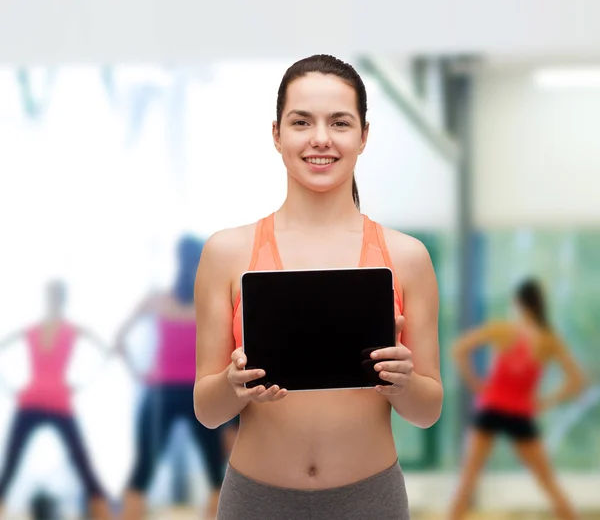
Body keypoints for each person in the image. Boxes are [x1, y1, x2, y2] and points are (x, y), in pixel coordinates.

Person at [192, 54, 443, 520]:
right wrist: (234, 385)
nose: (320, 139)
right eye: (302, 122)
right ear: (276, 134)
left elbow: (428, 410)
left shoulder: (407, 258)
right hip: (256, 502)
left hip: (370, 501)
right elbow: (207, 410)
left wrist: (402, 382)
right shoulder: (226, 252)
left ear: (364, 136)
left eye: (340, 122)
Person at [449, 278, 586, 520]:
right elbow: (577, 380)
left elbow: (458, 348)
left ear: (518, 302)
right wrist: (546, 401)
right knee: (548, 483)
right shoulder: (548, 339)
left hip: (491, 408)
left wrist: (476, 385)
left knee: (467, 481)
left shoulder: (503, 329)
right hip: (520, 413)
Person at [117, 235, 232, 520]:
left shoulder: (161, 300)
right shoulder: (209, 302)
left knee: (145, 469)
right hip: (191, 392)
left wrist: (138, 372)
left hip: (172, 391)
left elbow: (120, 338)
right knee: (214, 472)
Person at [0, 280, 113, 520]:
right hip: (30, 402)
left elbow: (106, 350)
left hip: (58, 403)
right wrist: (10, 387)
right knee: (8, 469)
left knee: (85, 469)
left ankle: (104, 514)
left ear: (61, 299)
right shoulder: (33, 329)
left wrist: (82, 383)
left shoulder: (71, 329)